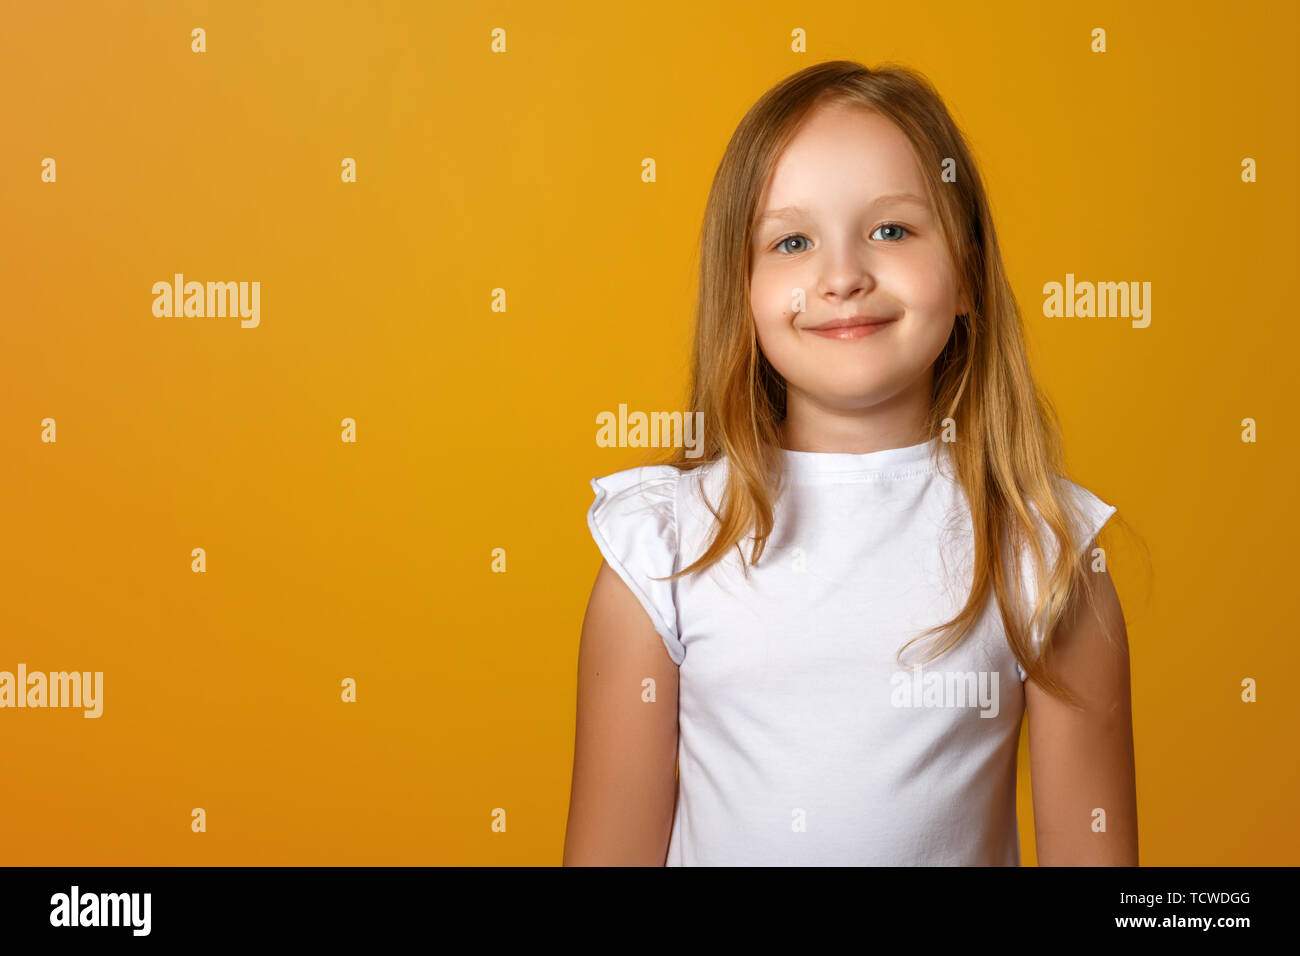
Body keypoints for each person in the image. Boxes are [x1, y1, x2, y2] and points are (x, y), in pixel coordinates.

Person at [564, 60, 1138, 866]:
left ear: (969, 272)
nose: (842, 277)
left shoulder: (1044, 550)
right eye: (793, 241)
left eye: (892, 230)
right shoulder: (661, 552)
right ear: (744, 289)